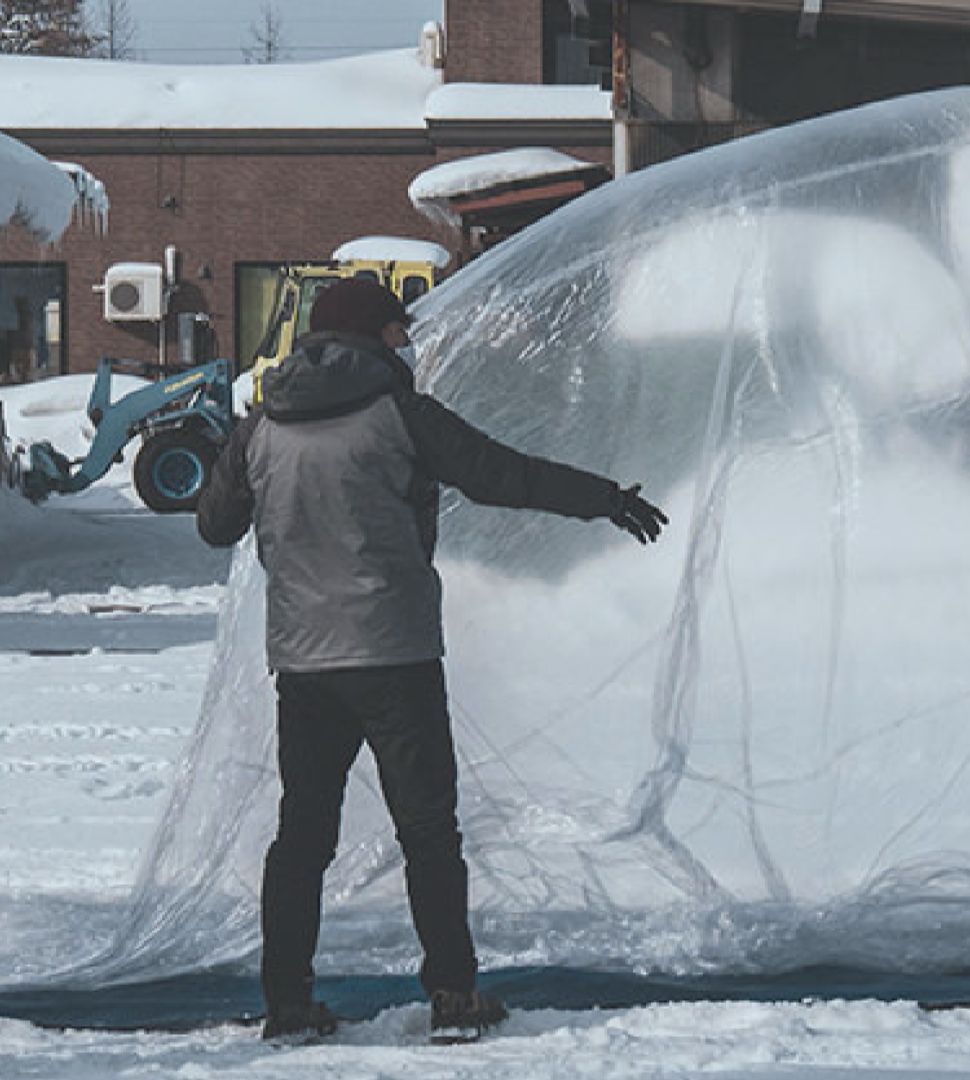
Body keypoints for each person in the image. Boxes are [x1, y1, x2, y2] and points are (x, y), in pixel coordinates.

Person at [196, 279, 668, 1041]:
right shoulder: (399, 415)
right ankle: (452, 996)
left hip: (305, 665)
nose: (406, 342)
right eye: (398, 330)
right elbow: (501, 474)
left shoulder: (261, 425)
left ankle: (287, 1004)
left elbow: (215, 525)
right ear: (373, 337)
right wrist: (605, 498)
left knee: (302, 838)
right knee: (427, 831)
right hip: (394, 655)